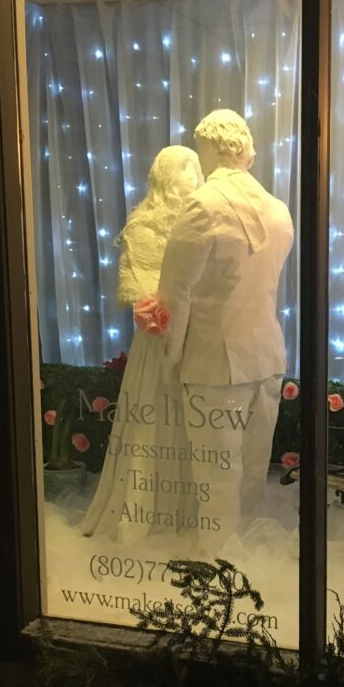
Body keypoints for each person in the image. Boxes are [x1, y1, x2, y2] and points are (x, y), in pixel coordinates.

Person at [155, 109, 294, 557]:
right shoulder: (279, 210)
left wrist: (169, 357)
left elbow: (175, 292)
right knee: (252, 469)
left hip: (214, 362)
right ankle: (245, 554)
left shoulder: (203, 205)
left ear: (212, 148)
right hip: (267, 356)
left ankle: (218, 565)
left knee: (215, 473)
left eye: (201, 148)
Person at [81, 145, 203, 538]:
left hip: (196, 336)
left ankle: (188, 513)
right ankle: (143, 510)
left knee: (191, 424)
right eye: (186, 170)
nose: (195, 178)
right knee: (152, 418)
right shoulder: (143, 227)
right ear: (168, 176)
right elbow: (140, 285)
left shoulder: (202, 222)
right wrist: (162, 311)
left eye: (196, 170)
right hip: (157, 341)